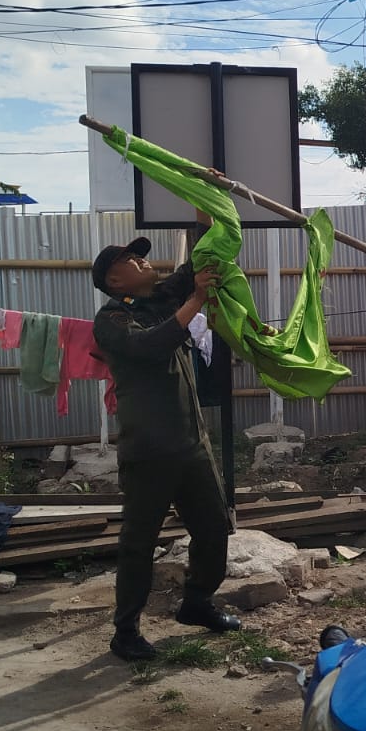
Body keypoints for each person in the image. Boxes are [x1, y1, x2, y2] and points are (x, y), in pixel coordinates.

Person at [91, 237, 241, 663]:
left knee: (213, 528)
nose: (143, 260)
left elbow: (197, 261)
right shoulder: (112, 319)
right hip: (149, 452)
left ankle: (197, 602)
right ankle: (126, 631)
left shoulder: (161, 298)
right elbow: (151, 345)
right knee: (139, 543)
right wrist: (196, 300)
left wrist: (206, 207)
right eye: (131, 259)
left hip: (192, 445)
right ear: (114, 279)